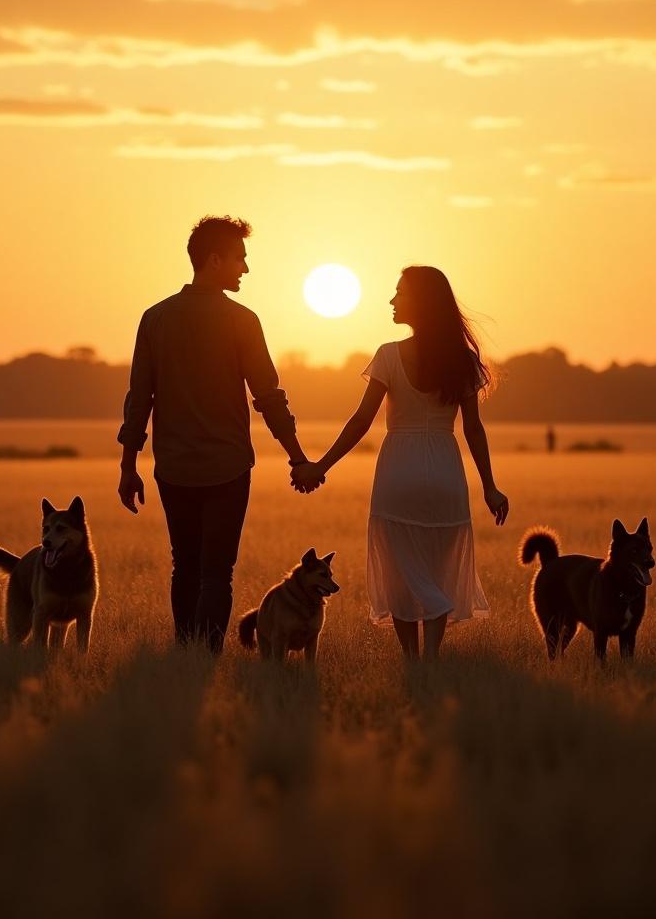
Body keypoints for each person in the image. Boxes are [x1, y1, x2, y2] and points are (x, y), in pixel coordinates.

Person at [117, 216, 319, 653]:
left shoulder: (155, 318)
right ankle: (204, 659)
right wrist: (297, 457)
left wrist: (128, 466)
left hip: (173, 467)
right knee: (216, 574)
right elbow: (268, 395)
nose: (245, 268)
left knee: (184, 567)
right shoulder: (242, 321)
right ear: (214, 259)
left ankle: (184, 653)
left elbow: (139, 399)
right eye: (239, 258)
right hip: (227, 469)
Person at [293, 266, 509, 661]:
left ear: (420, 303)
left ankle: (413, 661)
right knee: (437, 574)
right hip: (446, 471)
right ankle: (429, 662)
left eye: (399, 293)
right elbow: (473, 430)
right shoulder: (462, 360)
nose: (392, 301)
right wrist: (490, 487)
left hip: (398, 472)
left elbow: (361, 421)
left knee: (400, 575)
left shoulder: (389, 354)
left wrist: (320, 466)